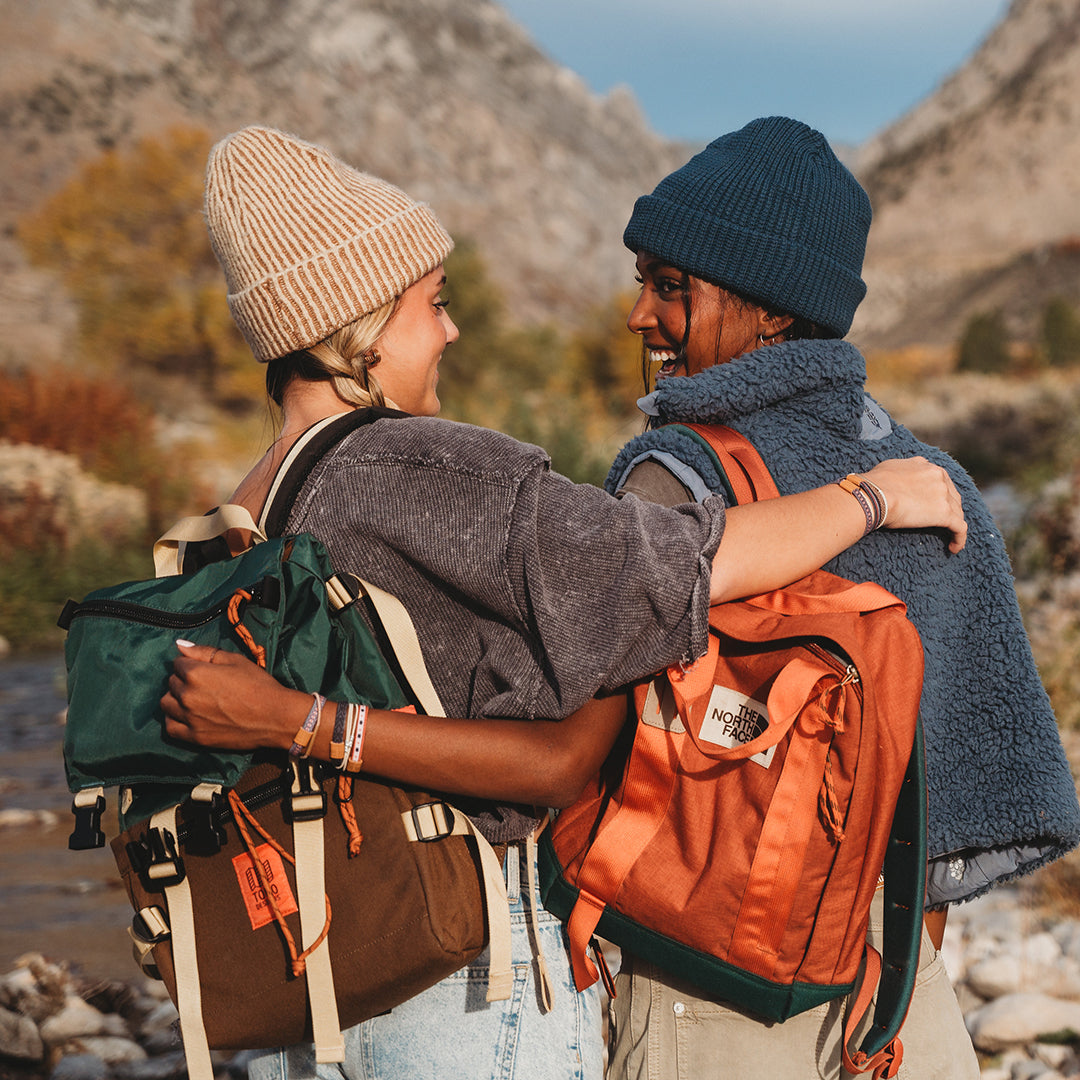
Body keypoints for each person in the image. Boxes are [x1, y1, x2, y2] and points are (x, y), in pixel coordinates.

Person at [163, 124, 966, 1080]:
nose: (453, 330)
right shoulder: (427, 466)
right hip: (453, 977)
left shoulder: (235, 513)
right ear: (363, 327)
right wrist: (871, 497)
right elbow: (680, 563)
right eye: (434, 305)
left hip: (304, 972)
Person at [599, 115, 1080, 1079]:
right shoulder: (935, 486)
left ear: (768, 310)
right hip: (895, 985)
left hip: (708, 981)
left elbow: (591, 735)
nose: (639, 314)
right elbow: (959, 768)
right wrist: (898, 961)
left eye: (670, 286)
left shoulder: (676, 477)